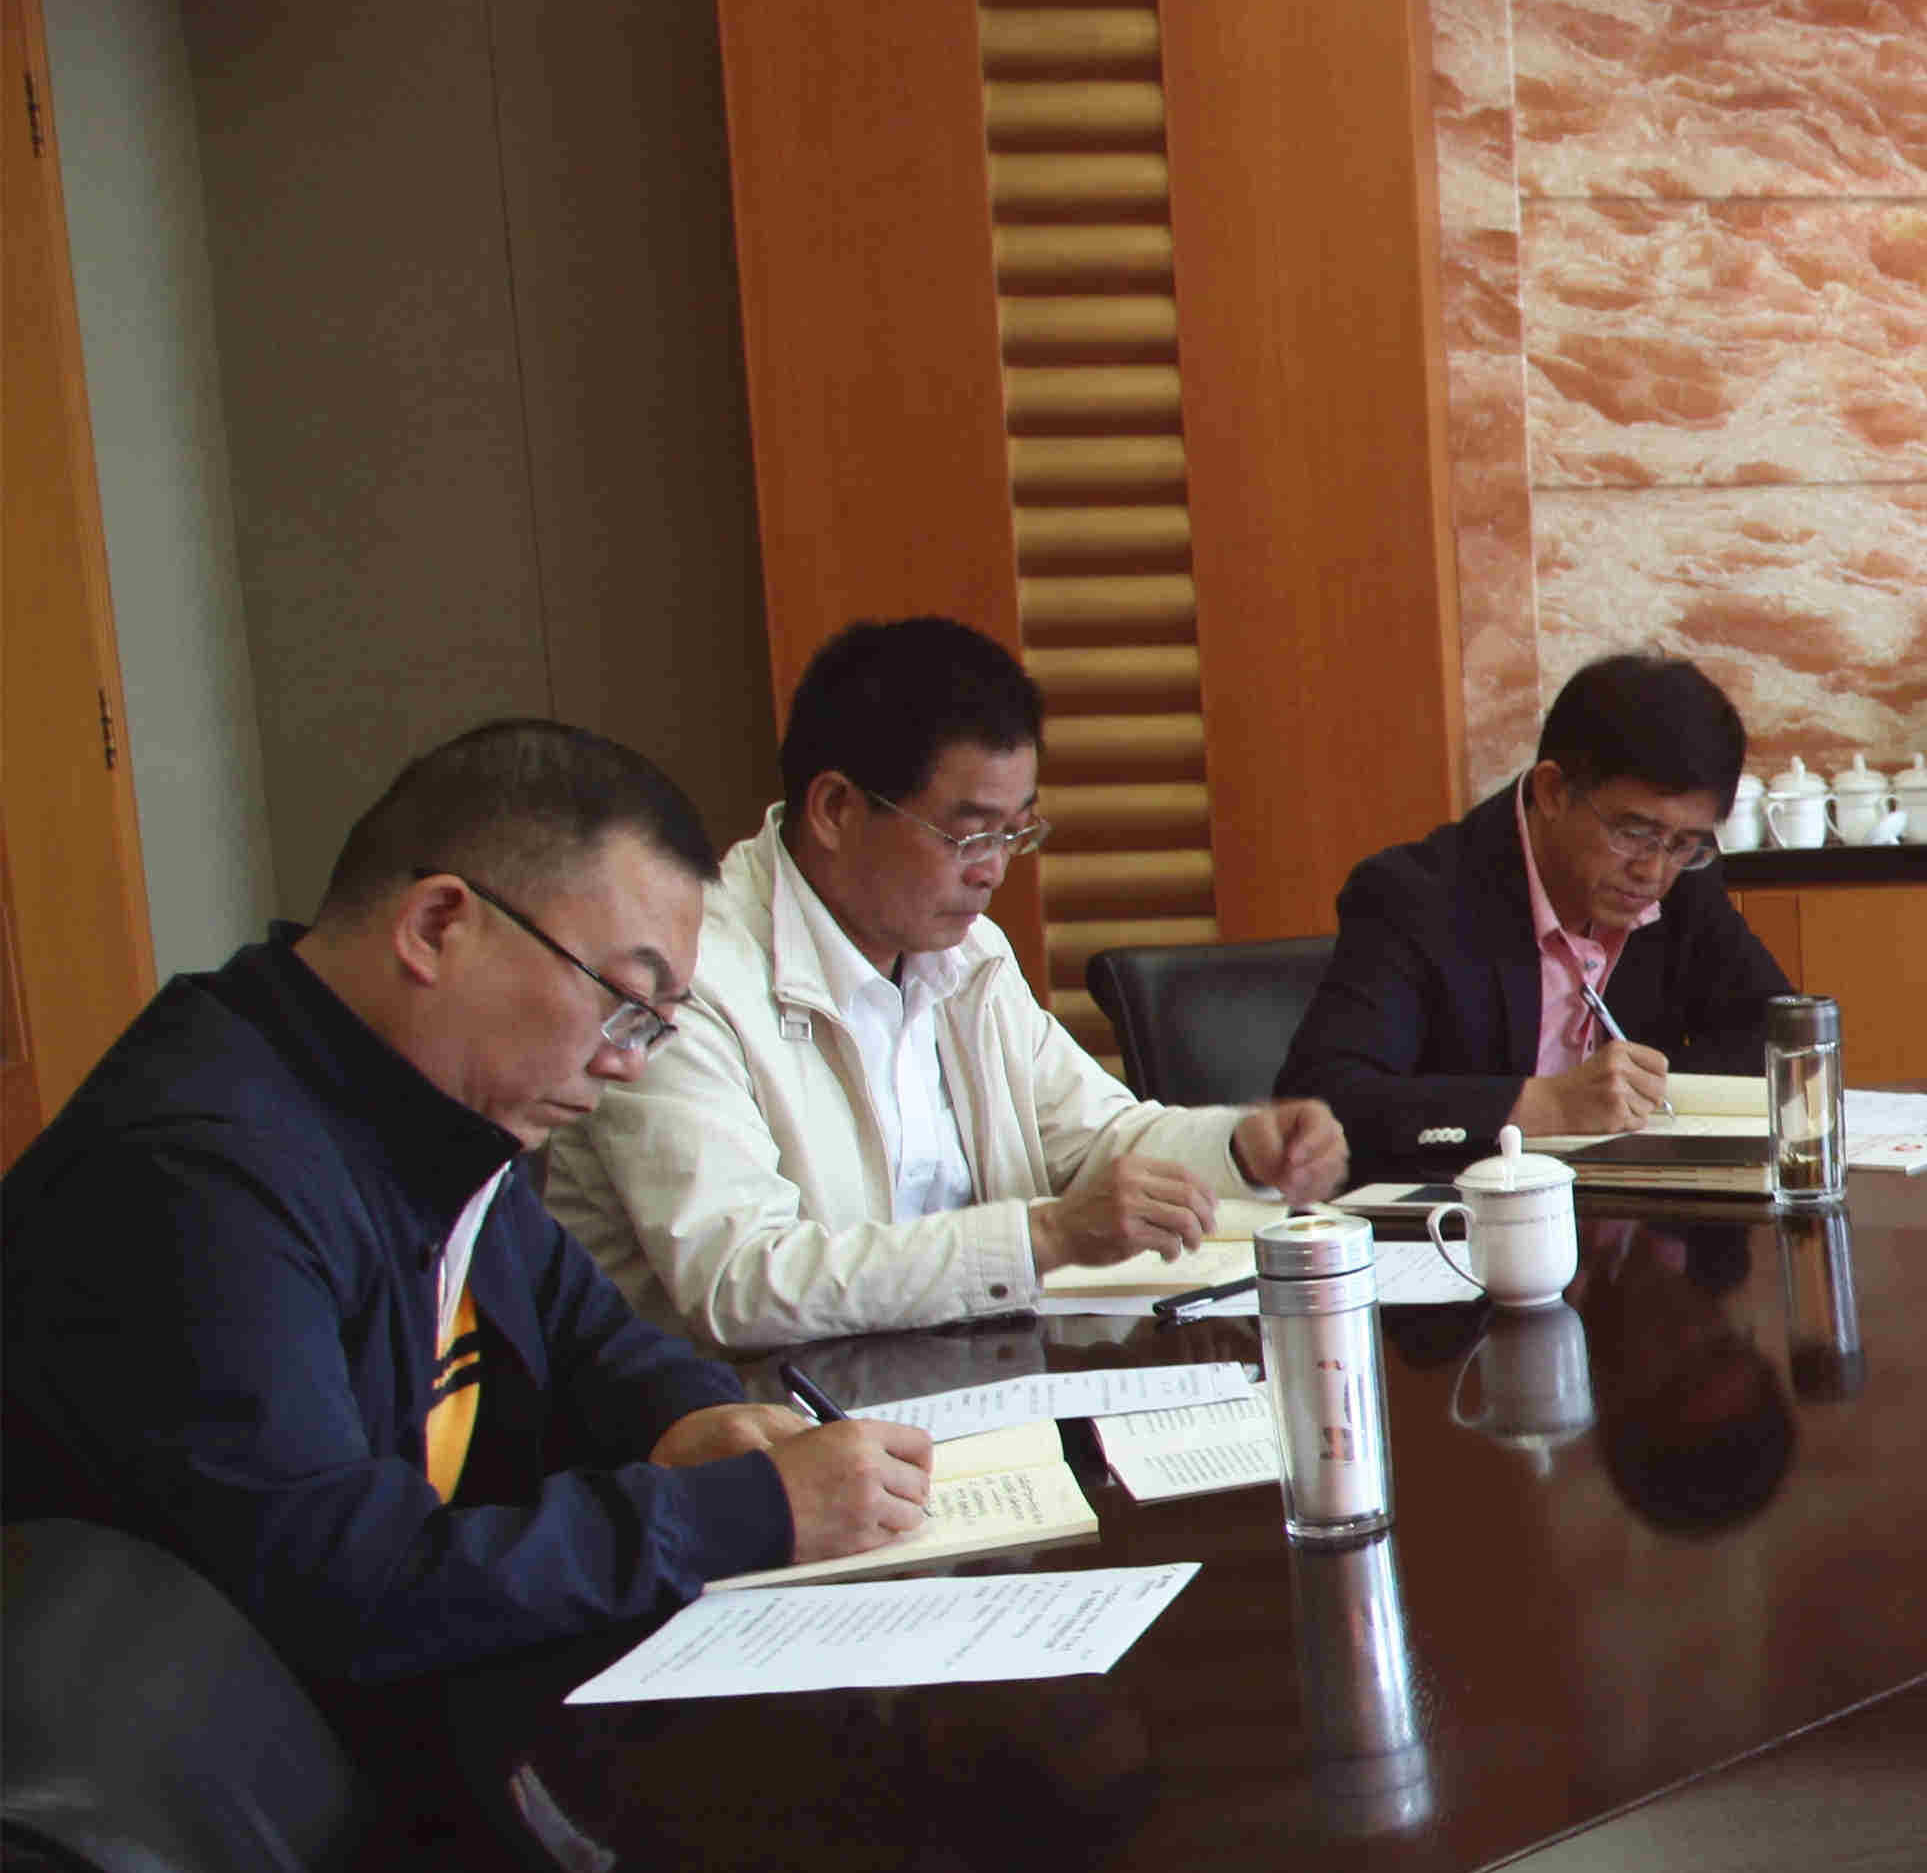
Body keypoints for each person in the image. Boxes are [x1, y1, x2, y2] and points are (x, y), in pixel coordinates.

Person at [1, 721, 937, 1692]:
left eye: (655, 1026)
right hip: (235, 1741)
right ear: (437, 925)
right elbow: (344, 1586)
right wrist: (746, 1513)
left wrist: (688, 1420)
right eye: (622, 1000)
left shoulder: (422, 1099)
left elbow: (583, 1335)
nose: (626, 1061)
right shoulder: (196, 1175)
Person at [543, 617, 1349, 1351]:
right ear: (835, 809)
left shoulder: (968, 954)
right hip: (754, 1420)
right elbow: (742, 1281)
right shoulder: (686, 979)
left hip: (968, 1386)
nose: (993, 870)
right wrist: (1042, 1237)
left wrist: (1240, 1147)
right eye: (967, 836)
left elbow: (1094, 1141)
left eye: (1015, 832)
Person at [1283, 650, 1797, 1171]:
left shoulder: (1680, 875)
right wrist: (1545, 1105)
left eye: (1684, 843)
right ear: (1552, 791)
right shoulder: (1414, 896)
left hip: (1628, 1201)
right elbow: (1323, 1102)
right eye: (1632, 832)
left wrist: (1654, 1090)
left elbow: (1779, 1031)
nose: (1653, 870)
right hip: (1459, 1207)